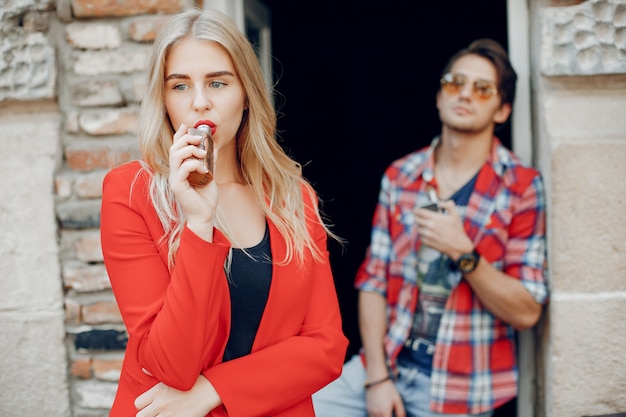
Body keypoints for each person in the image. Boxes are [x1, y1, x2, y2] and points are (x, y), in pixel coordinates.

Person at [100, 8, 348, 417]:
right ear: (162, 99)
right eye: (180, 86)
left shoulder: (293, 197)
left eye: (217, 82)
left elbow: (325, 346)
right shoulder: (130, 193)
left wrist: (213, 390)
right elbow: (169, 365)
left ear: (247, 93)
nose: (199, 102)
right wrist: (198, 223)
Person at [312, 39, 548, 417]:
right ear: (440, 96)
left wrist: (463, 253)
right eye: (455, 82)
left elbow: (527, 311)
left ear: (502, 110)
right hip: (384, 365)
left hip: (462, 390)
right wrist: (377, 378)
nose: (465, 94)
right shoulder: (402, 175)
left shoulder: (521, 186)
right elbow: (373, 282)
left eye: (482, 88)